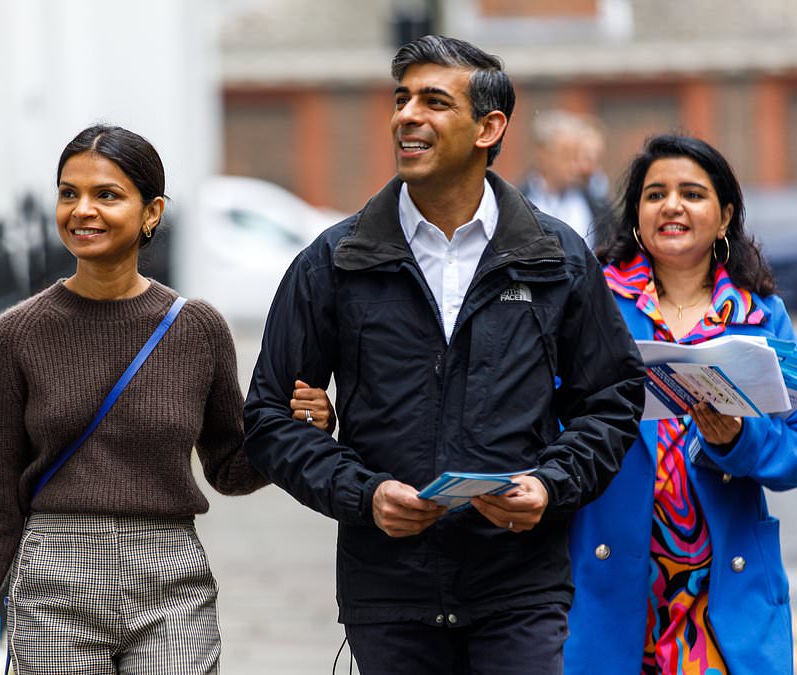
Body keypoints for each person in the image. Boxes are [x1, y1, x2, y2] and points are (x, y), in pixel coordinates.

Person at [243, 35, 646, 674]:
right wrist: (363, 495)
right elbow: (267, 418)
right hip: (389, 593)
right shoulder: (333, 261)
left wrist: (549, 486)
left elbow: (611, 400)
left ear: (489, 127)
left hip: (520, 589)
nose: (407, 116)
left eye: (434, 101)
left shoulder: (557, 258)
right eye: (402, 99)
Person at [0, 124, 334, 674]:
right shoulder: (16, 333)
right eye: (69, 193)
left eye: (106, 195)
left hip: (171, 579)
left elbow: (230, 466)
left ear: (152, 212)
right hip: (53, 581)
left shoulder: (196, 328)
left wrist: (300, 430)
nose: (82, 210)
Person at [565, 134, 797, 674]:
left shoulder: (761, 315)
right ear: (636, 213)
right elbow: (549, 414)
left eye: (692, 193)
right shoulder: (593, 301)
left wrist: (738, 439)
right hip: (614, 578)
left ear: (725, 213)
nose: (672, 206)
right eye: (655, 193)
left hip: (721, 589)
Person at [520, 110, 612, 248]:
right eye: (568, 156)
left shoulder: (598, 207)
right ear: (543, 154)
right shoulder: (515, 203)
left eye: (578, 156)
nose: (576, 165)